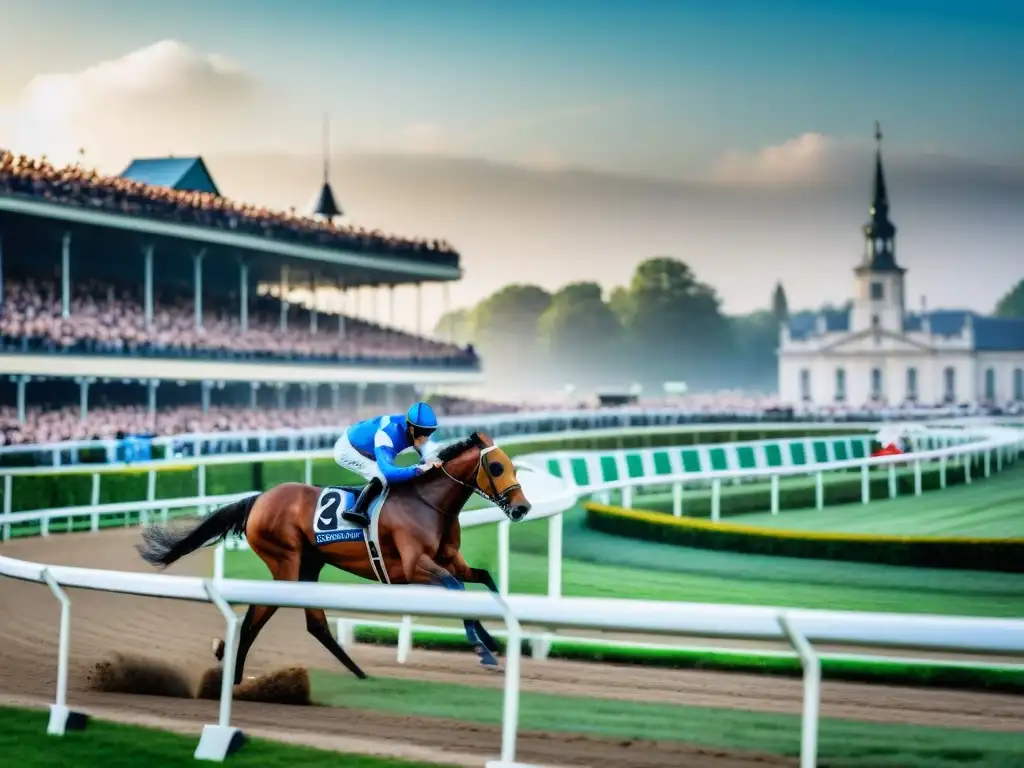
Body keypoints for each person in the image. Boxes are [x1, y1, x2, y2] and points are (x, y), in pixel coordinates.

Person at [332, 401, 443, 527]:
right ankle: (357, 510)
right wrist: (418, 469)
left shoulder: (413, 429)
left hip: (367, 446)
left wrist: (432, 460)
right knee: (382, 477)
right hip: (348, 449)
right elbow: (389, 473)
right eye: (424, 434)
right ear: (412, 429)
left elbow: (431, 453)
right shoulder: (387, 435)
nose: (426, 438)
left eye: (429, 432)